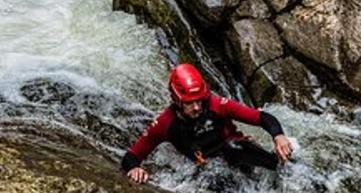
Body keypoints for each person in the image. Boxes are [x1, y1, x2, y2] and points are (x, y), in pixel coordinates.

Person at [121, 63, 293, 183]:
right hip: (208, 167)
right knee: (215, 176)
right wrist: (134, 168)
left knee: (282, 168)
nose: (196, 107)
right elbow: (132, 156)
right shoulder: (165, 123)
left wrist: (278, 136)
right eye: (189, 103)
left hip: (238, 150)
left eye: (199, 101)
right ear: (176, 100)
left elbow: (263, 118)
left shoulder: (217, 104)